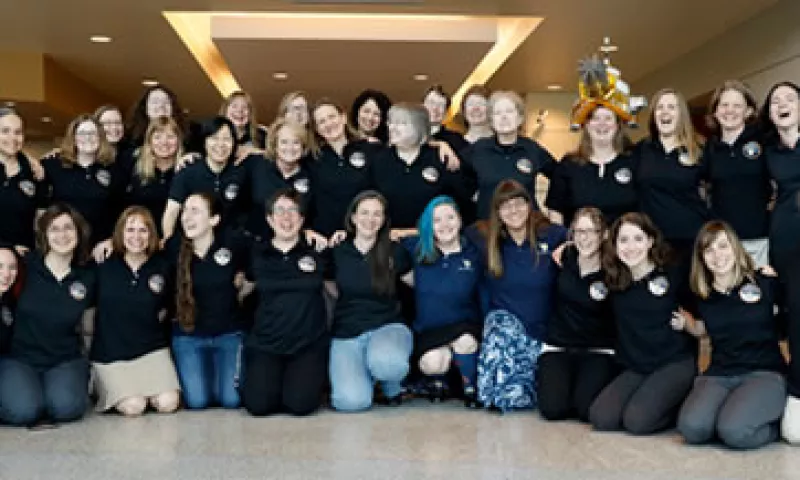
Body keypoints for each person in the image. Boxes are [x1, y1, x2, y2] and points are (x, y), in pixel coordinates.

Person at [675, 221, 785, 449]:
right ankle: (732, 413)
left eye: (723, 246)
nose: (718, 255)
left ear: (735, 247)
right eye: (709, 250)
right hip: (719, 373)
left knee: (735, 432)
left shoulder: (764, 282)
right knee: (692, 429)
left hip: (763, 372)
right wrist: (687, 324)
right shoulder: (701, 293)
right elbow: (703, 328)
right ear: (702, 258)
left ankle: (774, 424)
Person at [589, 212, 697, 435]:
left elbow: (702, 305)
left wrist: (689, 324)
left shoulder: (673, 272)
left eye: (638, 239)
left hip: (674, 362)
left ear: (650, 241)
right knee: (602, 418)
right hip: (636, 365)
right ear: (615, 245)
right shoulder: (614, 280)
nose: (631, 247)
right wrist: (568, 248)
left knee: (637, 422)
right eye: (624, 240)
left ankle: (680, 403)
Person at [465, 180, 566, 411]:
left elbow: (585, 239)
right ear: (497, 212)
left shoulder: (551, 235)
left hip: (541, 332)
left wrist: (568, 246)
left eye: (519, 203)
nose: (513, 210)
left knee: (532, 396)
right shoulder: (484, 238)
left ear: (529, 205)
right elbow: (443, 234)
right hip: (502, 328)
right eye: (505, 206)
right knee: (502, 395)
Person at [0, 204, 95, 427]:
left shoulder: (89, 275)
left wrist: (110, 242)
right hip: (20, 359)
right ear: (44, 234)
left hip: (65, 359)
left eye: (68, 228)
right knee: (24, 412)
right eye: (54, 229)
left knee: (66, 408)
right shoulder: (25, 265)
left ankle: (45, 394)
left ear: (78, 232)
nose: (62, 235)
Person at [241, 190, 329, 416]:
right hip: (266, 343)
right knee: (259, 407)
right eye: (279, 211)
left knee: (300, 406)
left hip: (307, 344)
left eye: (293, 211)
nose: (286, 218)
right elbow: (242, 289)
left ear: (301, 220)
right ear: (269, 219)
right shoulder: (256, 253)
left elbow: (336, 289)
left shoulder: (318, 251)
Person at [327, 191, 413, 411]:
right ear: (353, 217)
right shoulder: (337, 252)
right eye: (364, 213)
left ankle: (389, 382)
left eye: (377, 214)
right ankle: (366, 371)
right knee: (351, 402)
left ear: (384, 220)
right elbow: (331, 288)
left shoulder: (396, 251)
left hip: (388, 326)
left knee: (388, 365)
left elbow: (420, 284)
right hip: (347, 332)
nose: (370, 219)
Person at [90, 207, 180, 416]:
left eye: (143, 230)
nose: (136, 237)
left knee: (168, 403)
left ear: (152, 235)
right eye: (130, 230)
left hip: (152, 351)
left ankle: (142, 390)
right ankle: (100, 385)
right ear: (120, 233)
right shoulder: (103, 265)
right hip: (111, 355)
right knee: (134, 406)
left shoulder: (163, 267)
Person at [167, 193, 248, 409]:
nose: (186, 216)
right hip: (189, 337)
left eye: (195, 211)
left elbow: (261, 261)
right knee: (197, 402)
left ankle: (219, 379)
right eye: (185, 210)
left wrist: (245, 279)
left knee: (232, 401)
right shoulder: (173, 249)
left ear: (214, 219)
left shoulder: (233, 244)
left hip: (228, 335)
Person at [400, 196, 483, 406]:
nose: (445, 225)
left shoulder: (474, 253)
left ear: (460, 220)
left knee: (465, 342)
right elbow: (387, 239)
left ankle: (470, 386)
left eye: (450, 218)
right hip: (429, 331)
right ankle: (440, 380)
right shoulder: (416, 249)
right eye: (437, 220)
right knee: (433, 363)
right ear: (429, 225)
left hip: (464, 326)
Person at [538, 207, 618, 422]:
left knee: (585, 411)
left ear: (603, 235)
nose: (585, 238)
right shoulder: (565, 256)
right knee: (553, 410)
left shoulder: (614, 269)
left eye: (591, 231)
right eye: (579, 232)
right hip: (559, 345)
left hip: (597, 349)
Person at [634, 88, 711, 264]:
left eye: (672, 107)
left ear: (681, 114)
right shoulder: (641, 150)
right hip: (652, 242)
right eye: (660, 107)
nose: (665, 112)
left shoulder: (700, 150)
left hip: (691, 241)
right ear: (654, 115)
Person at [702, 81, 770, 266]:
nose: (729, 110)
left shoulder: (763, 140)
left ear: (748, 111)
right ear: (715, 111)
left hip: (759, 238)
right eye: (724, 105)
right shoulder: (709, 149)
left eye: (737, 105)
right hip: (722, 243)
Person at [464, 91, 555, 220]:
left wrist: (552, 210)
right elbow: (457, 179)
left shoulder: (532, 149)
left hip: (527, 229)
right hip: (487, 229)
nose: (504, 117)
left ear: (520, 118)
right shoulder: (478, 149)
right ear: (491, 120)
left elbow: (560, 176)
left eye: (509, 111)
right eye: (498, 113)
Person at [546, 105, 636, 226]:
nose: (602, 124)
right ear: (586, 124)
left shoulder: (633, 161)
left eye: (608, 118)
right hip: (579, 242)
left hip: (623, 243)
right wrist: (563, 241)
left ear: (618, 125)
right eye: (595, 118)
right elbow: (555, 211)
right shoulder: (568, 165)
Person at [761, 81, 800, 276]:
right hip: (786, 234)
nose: (782, 104)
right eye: (775, 102)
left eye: (790, 99)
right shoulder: (767, 152)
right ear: (769, 114)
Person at [0, 108, 43, 249]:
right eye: (5, 131)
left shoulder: (34, 171)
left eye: (18, 132)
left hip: (24, 260)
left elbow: (40, 218)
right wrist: (8, 247)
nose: (12, 138)